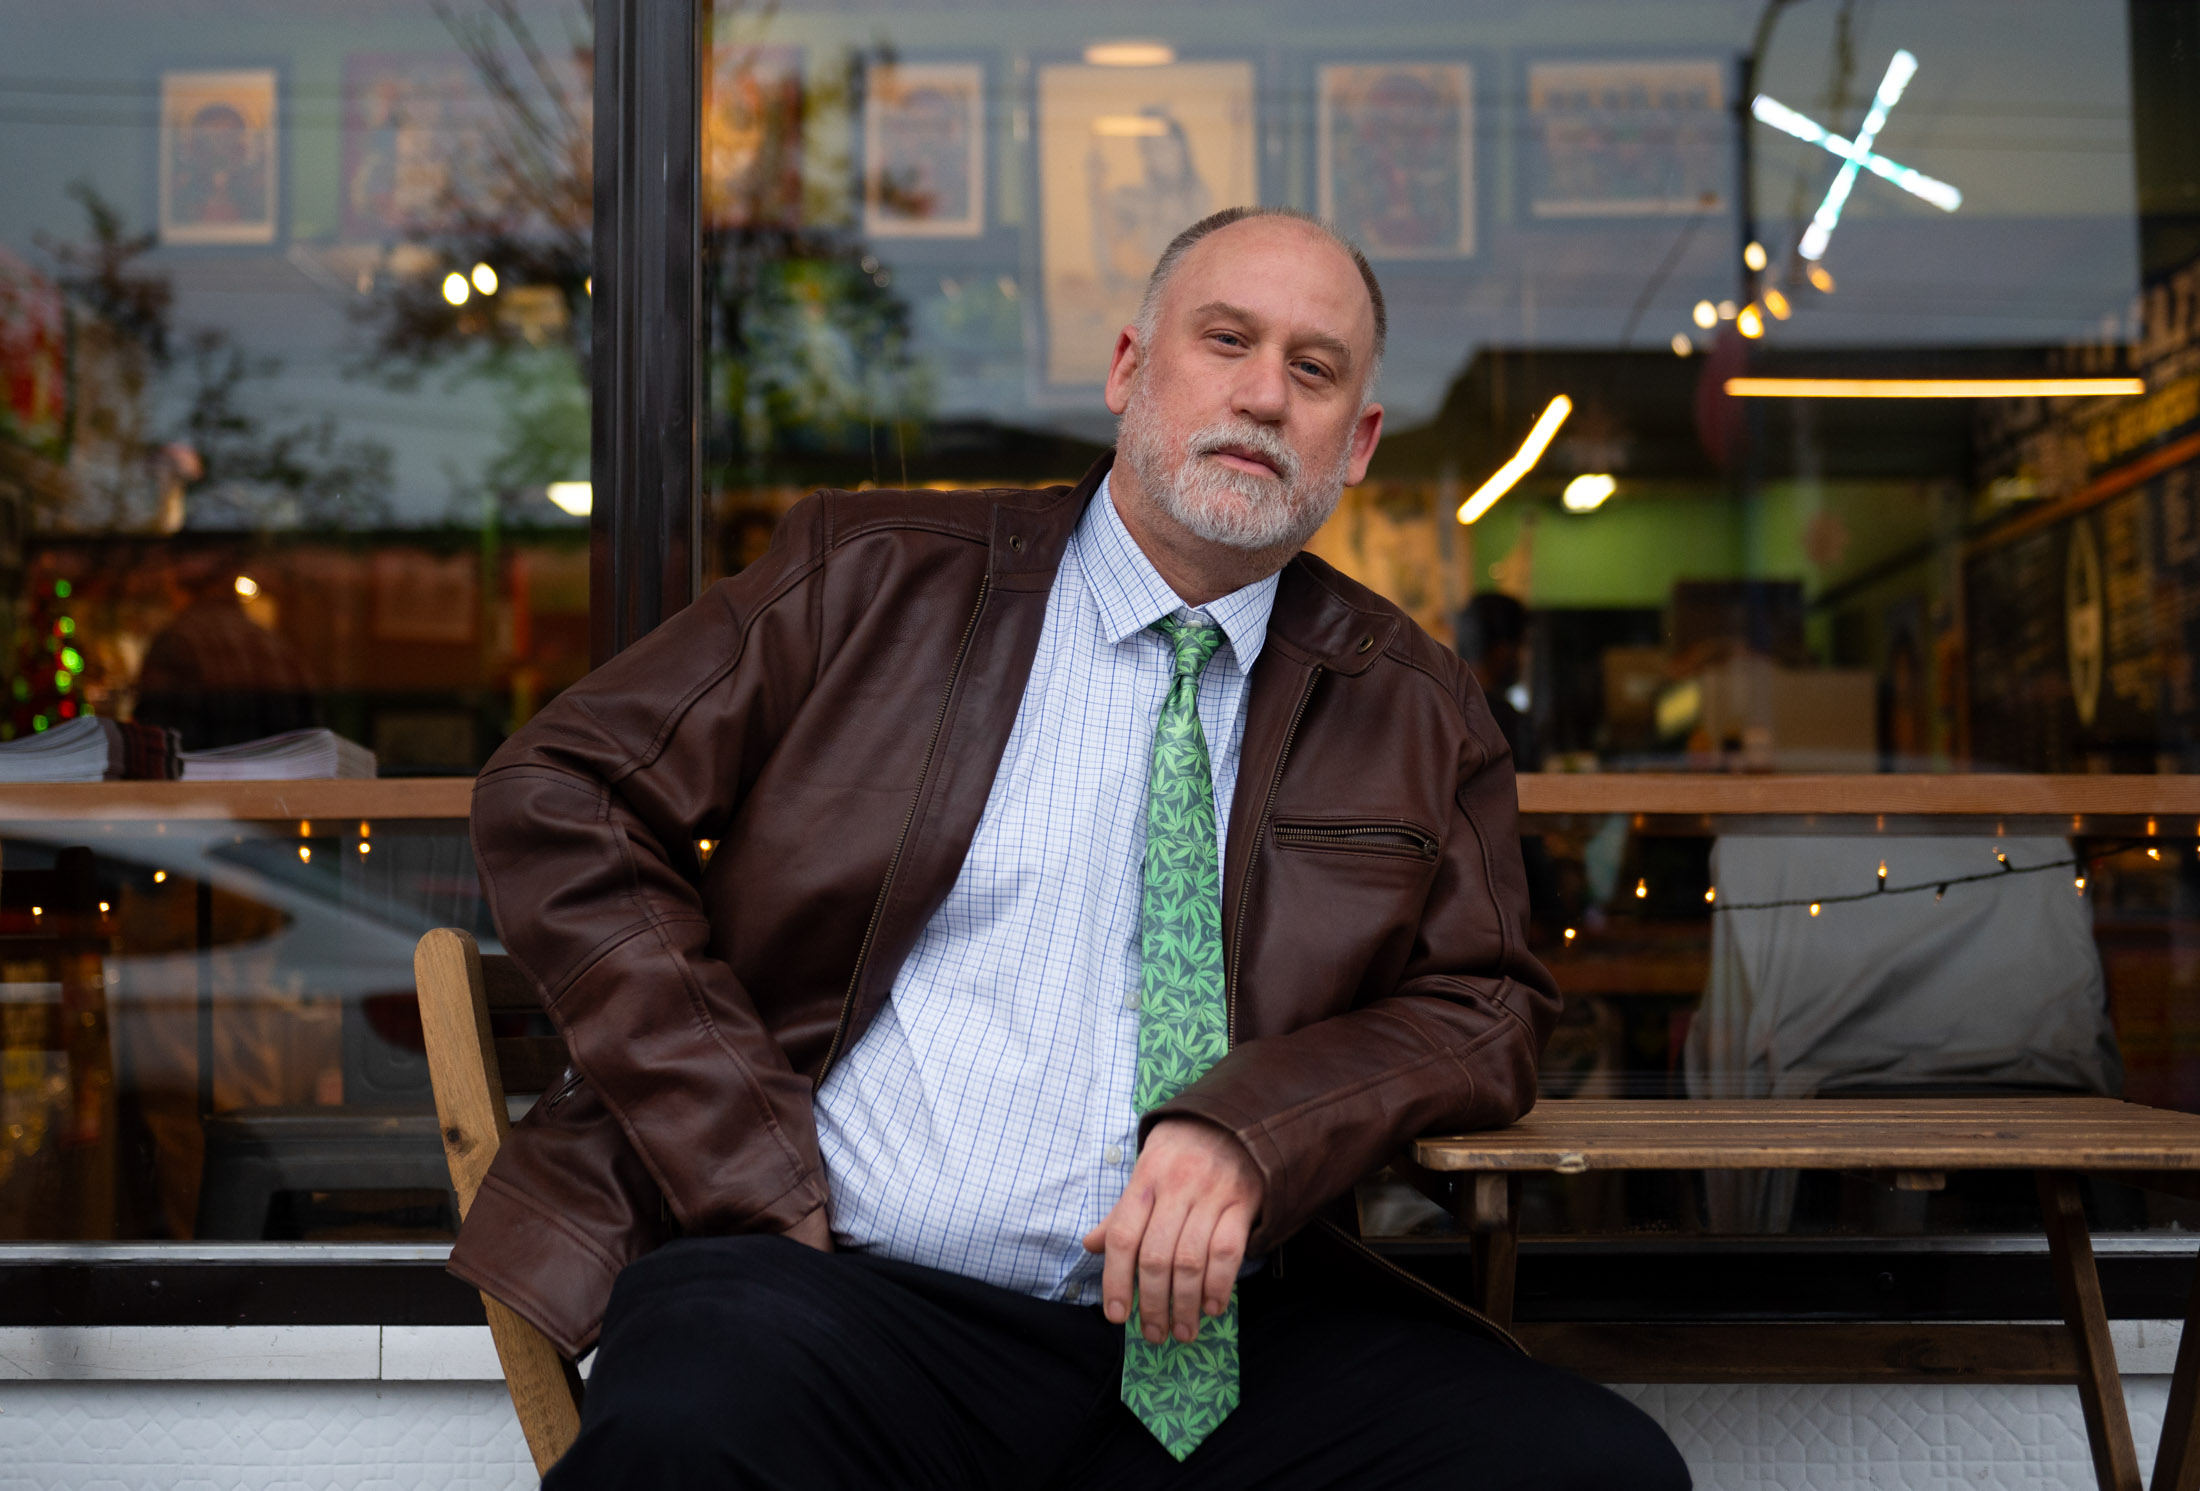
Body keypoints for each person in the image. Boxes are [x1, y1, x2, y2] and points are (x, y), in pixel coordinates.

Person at [453, 206, 1689, 1489]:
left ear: (1358, 440)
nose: (1265, 394)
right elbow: (560, 791)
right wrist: (742, 1149)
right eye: (1226, 341)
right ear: (1128, 369)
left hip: (1213, 1356)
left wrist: (1254, 1129)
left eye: (1314, 369)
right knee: (691, 1428)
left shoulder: (1415, 707)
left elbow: (1487, 1007)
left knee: (1589, 1471)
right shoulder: (873, 576)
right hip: (845, 1305)